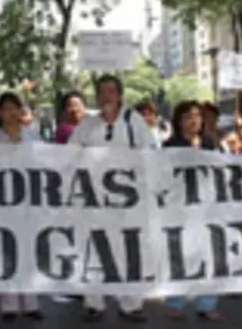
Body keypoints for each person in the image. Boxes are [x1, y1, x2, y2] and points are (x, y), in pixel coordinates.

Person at [68, 74, 154, 323]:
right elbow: (71, 152)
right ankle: (94, 302)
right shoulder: (88, 124)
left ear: (120, 96)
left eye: (111, 92)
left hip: (128, 199)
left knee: (130, 249)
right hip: (95, 199)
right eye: (102, 92)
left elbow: (148, 152)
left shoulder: (133, 121)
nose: (107, 96)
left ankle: (131, 304)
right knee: (95, 248)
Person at [0, 92, 44, 321]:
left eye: (14, 108)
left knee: (28, 251)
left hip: (28, 200)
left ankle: (31, 302)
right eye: (5, 109)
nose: (10, 113)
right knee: (6, 251)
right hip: (2, 201)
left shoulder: (33, 137)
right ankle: (8, 303)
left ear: (21, 111)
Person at [162, 100, 222, 322]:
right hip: (180, 209)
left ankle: (207, 303)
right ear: (178, 121)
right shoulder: (170, 146)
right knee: (180, 256)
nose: (194, 120)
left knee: (211, 256)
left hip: (208, 208)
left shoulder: (209, 143)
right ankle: (176, 302)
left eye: (197, 116)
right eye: (188, 116)